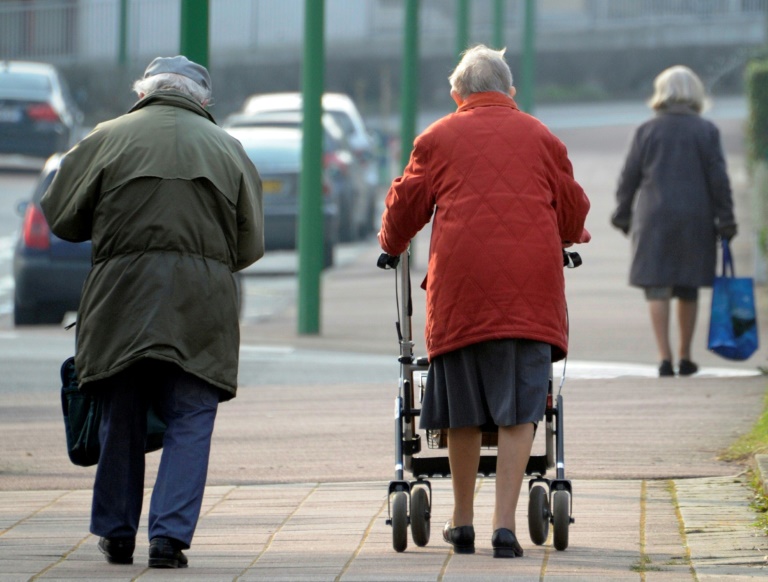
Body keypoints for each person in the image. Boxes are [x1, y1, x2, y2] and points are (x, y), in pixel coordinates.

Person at [41, 56, 264, 568]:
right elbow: (249, 245)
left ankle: (116, 533)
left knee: (121, 412)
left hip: (121, 300)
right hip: (200, 304)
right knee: (191, 414)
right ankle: (168, 538)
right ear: (202, 101)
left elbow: (61, 216)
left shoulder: (106, 137)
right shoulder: (228, 149)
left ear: (143, 92)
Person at [378, 45, 590, 558]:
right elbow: (572, 208)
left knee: (464, 411)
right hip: (531, 292)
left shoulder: (437, 137)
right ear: (510, 92)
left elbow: (404, 208)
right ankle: (505, 527)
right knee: (521, 410)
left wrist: (390, 245)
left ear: (457, 95)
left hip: (461, 294)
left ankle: (462, 520)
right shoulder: (542, 137)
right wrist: (567, 232)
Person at [611, 65, 737, 377]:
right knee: (687, 287)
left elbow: (629, 177)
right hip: (696, 218)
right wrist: (726, 218)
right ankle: (685, 356)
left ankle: (664, 357)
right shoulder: (706, 131)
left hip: (654, 218)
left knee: (657, 287)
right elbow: (718, 179)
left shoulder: (647, 131)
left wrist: (622, 213)